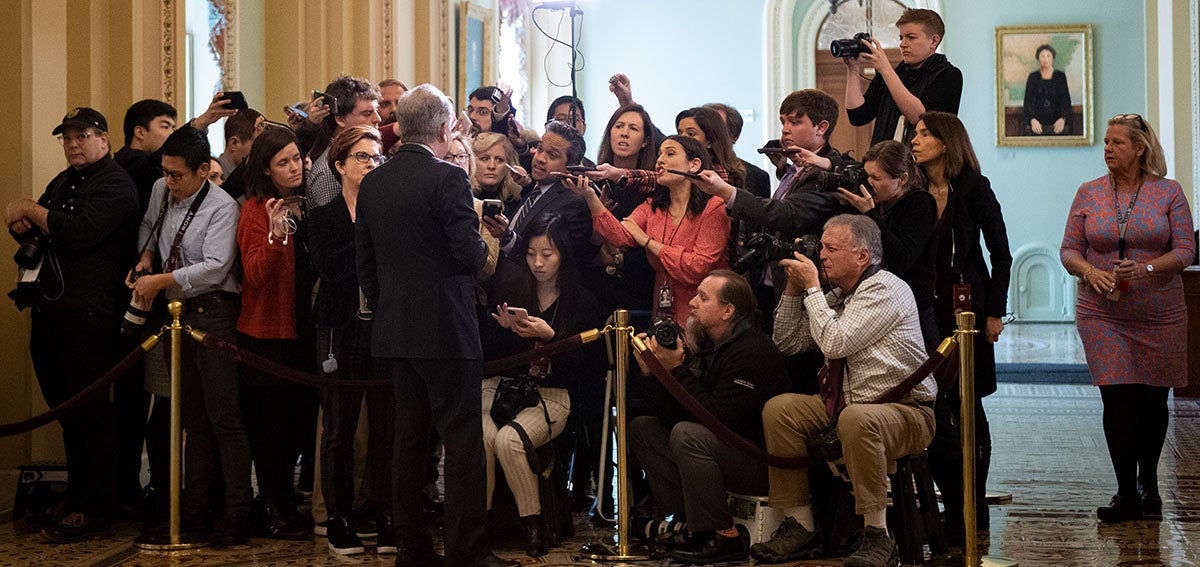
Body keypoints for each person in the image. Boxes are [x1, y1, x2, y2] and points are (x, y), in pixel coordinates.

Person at [355, 83, 513, 567]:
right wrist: (490, 245)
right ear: (446, 129)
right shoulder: (447, 178)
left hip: (396, 329)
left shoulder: (375, 182)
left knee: (408, 440)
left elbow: (367, 265)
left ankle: (412, 549)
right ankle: (467, 551)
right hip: (447, 328)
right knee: (462, 440)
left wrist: (389, 308)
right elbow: (471, 257)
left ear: (400, 127)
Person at [749, 214, 937, 567]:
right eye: (821, 246)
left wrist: (813, 290)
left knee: (855, 418)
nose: (821, 255)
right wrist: (792, 288)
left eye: (832, 248)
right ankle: (800, 524)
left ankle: (878, 535)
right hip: (852, 405)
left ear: (863, 256)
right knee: (781, 410)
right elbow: (787, 342)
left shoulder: (885, 289)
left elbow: (836, 342)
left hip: (908, 410)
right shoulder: (841, 295)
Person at [5, 107, 139, 543]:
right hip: (50, 307)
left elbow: (78, 231)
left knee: (91, 413)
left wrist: (28, 208)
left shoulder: (117, 183)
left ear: (103, 139)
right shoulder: (65, 181)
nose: (74, 144)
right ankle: (76, 499)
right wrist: (23, 226)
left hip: (89, 314)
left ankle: (96, 508)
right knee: (68, 413)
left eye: (82, 135)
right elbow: (48, 234)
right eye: (66, 138)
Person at [1060, 114, 1195, 523]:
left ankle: (1148, 483)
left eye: (1117, 142)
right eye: (1105, 142)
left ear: (1139, 149)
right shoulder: (1089, 193)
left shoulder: (1168, 192)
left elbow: (1187, 249)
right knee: (1117, 396)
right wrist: (1089, 271)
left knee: (1153, 399)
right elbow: (1068, 249)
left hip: (1160, 312)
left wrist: (1150, 269)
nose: (1108, 149)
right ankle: (1125, 493)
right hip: (1102, 312)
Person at [127, 126, 250, 546]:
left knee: (224, 420)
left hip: (214, 314)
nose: (170, 182)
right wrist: (145, 257)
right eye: (165, 172)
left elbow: (215, 267)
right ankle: (193, 515)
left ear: (203, 170)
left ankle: (237, 513)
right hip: (176, 313)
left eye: (178, 175)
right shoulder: (162, 190)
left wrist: (159, 280)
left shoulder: (221, 207)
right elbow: (148, 225)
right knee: (192, 422)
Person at [629, 270, 787, 564]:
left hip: (758, 460)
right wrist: (655, 373)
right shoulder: (709, 344)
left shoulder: (752, 350)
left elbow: (717, 419)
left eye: (702, 297)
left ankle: (724, 536)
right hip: (725, 449)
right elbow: (672, 413)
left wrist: (676, 369)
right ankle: (689, 523)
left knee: (687, 435)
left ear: (728, 310)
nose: (691, 303)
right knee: (644, 429)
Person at [911, 110, 1011, 539]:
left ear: (947, 142)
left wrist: (994, 312)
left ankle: (974, 504)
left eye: (924, 134)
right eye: (915, 133)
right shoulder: (913, 190)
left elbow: (1000, 254)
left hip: (967, 313)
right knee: (933, 405)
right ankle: (951, 502)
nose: (915, 141)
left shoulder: (973, 187)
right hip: (921, 312)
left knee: (968, 407)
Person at [482, 214, 605, 557]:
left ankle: (533, 523)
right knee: (483, 436)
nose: (538, 263)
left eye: (547, 254)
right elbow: (490, 357)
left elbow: (588, 373)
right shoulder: (511, 289)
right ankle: (483, 522)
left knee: (509, 440)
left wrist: (552, 339)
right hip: (502, 388)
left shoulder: (581, 301)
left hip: (552, 395)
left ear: (563, 254)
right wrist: (505, 330)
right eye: (532, 253)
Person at [694, 89, 853, 332]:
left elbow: (787, 215)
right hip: (769, 280)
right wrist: (782, 171)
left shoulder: (828, 174)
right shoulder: (794, 168)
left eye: (795, 122)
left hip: (802, 286)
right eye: (783, 122)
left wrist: (726, 191)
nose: (785, 129)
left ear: (821, 127)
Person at [307, 125, 396, 554]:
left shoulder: (388, 213)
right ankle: (338, 516)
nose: (371, 164)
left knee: (385, 427)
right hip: (339, 329)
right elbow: (332, 268)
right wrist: (369, 239)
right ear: (339, 164)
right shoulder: (322, 216)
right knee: (339, 429)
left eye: (376, 158)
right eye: (362, 157)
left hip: (381, 330)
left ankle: (385, 513)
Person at [237, 124, 317, 540]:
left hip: (304, 334)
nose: (294, 168)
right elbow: (254, 275)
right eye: (282, 162)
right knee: (271, 430)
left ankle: (286, 501)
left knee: (298, 424)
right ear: (266, 169)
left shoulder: (307, 205)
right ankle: (270, 504)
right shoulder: (255, 209)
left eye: (296, 159)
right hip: (266, 337)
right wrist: (274, 235)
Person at [572, 135, 731, 325]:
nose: (660, 160)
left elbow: (697, 266)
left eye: (669, 154)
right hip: (663, 305)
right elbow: (620, 236)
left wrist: (648, 241)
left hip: (703, 307)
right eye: (659, 154)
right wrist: (590, 196)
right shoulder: (654, 205)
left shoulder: (713, 207)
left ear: (694, 165)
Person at [833, 140, 938, 349]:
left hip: (914, 310)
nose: (869, 183)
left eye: (877, 178)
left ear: (902, 179)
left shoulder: (920, 203)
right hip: (879, 305)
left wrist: (870, 213)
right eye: (867, 175)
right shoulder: (881, 204)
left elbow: (902, 258)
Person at [481, 120, 592, 266]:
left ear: (570, 167)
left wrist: (507, 237)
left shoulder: (573, 204)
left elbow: (551, 263)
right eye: (540, 149)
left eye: (552, 155)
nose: (540, 159)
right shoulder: (536, 188)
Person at [844, 8, 962, 144]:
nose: (902, 44)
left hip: (918, 163)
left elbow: (919, 118)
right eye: (901, 37)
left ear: (934, 41)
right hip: (882, 160)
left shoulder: (949, 75)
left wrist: (885, 69)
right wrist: (852, 69)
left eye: (911, 37)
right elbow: (858, 116)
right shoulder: (893, 74)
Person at [298, 75, 382, 207]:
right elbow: (336, 224)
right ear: (340, 119)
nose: (378, 119)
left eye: (376, 111)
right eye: (367, 113)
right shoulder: (328, 172)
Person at [703, 102, 771, 199]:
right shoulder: (680, 171)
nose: (707, 135)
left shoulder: (757, 177)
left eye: (716, 129)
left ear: (734, 136)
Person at [470, 132, 526, 218]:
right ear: (471, 162)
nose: (491, 166)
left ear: (509, 165)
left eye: (499, 160)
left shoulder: (514, 203)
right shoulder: (464, 200)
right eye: (484, 159)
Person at [1023, 44, 1072, 135]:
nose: (1045, 59)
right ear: (1038, 58)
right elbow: (1028, 102)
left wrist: (1063, 119)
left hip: (1057, 124)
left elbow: (1065, 100)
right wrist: (1032, 120)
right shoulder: (1033, 77)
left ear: (1053, 58)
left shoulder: (1060, 76)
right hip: (1037, 125)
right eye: (1042, 56)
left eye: (1048, 56)